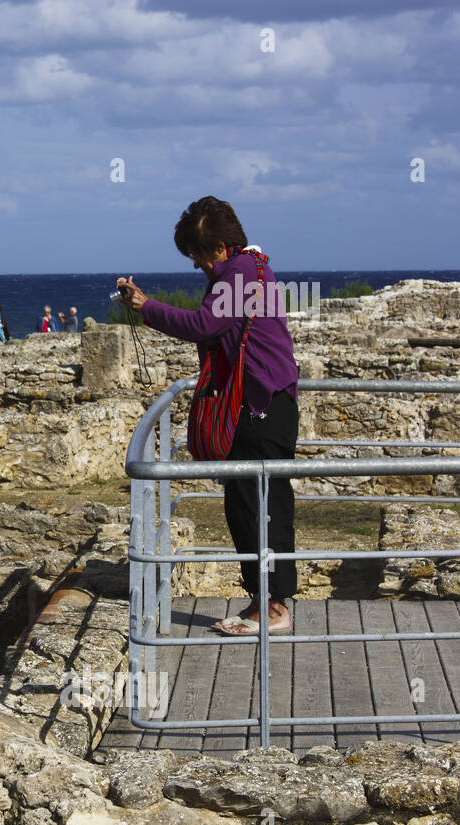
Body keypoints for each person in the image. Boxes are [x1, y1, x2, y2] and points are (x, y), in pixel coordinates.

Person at [117, 195, 298, 636]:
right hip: (269, 403)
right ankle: (267, 603)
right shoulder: (252, 266)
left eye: (197, 254)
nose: (197, 265)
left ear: (218, 247)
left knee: (258, 506)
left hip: (260, 407)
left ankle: (272, 609)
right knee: (255, 502)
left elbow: (204, 325)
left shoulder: (236, 277)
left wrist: (147, 308)